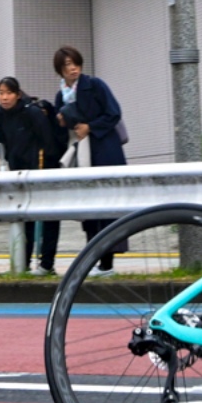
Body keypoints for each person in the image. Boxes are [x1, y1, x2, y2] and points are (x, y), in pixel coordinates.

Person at [54, 47, 128, 270]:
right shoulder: (61, 95)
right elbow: (62, 131)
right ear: (60, 70)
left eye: (75, 63)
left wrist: (91, 127)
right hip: (82, 154)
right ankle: (95, 259)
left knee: (108, 204)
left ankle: (107, 263)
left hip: (105, 149)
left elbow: (114, 113)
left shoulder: (95, 85)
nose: (73, 68)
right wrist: (61, 122)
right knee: (89, 209)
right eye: (67, 65)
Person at [0, 77, 63, 272]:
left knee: (49, 217)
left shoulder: (32, 112)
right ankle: (23, 263)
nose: (4, 97)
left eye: (9, 93)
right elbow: (2, 142)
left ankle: (47, 264)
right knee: (23, 217)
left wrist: (45, 168)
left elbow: (48, 143)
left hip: (42, 169)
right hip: (18, 172)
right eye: (1, 93)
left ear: (17, 94)